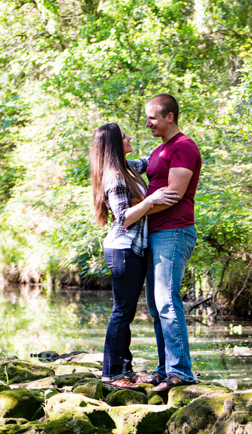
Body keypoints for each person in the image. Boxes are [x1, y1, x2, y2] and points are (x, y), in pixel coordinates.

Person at [90, 123, 180, 389]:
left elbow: (150, 159)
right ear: (115, 145)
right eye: (124, 136)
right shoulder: (114, 177)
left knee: (126, 311)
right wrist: (151, 201)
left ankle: (125, 370)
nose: (130, 138)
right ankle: (112, 374)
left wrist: (171, 142)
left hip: (133, 249)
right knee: (122, 311)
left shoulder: (127, 169)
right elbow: (124, 217)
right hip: (123, 249)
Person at [137, 93, 202, 391]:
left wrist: (140, 211)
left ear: (169, 117)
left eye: (152, 117)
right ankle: (165, 369)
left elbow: (174, 193)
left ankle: (181, 371)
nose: (148, 123)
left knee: (167, 300)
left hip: (174, 231)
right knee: (154, 305)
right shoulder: (158, 151)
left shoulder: (184, 147)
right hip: (154, 231)